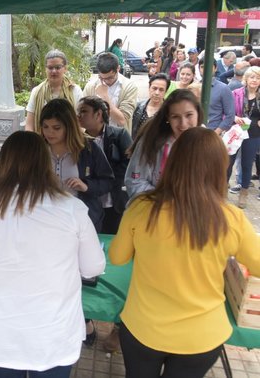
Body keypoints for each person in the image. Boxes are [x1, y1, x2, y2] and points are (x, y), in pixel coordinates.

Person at [0, 131, 106, 378]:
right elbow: (92, 268)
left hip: (0, 329)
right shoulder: (71, 208)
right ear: (45, 164)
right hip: (52, 333)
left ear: (3, 162)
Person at [110, 127, 260, 378]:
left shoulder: (141, 208)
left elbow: (117, 257)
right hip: (202, 337)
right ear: (219, 168)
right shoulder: (232, 219)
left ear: (173, 162)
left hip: (143, 329)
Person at [39, 98, 114, 232]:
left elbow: (108, 181)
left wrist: (86, 186)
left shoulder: (89, 148)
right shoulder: (37, 150)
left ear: (69, 126)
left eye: (56, 128)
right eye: (45, 127)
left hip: (82, 220)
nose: (50, 132)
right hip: (45, 218)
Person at [125, 89, 202, 200]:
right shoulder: (151, 142)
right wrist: (167, 201)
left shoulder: (206, 142)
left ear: (198, 113)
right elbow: (135, 182)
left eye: (189, 115)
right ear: (167, 118)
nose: (183, 123)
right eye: (175, 117)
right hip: (156, 211)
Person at [77, 96, 132, 235]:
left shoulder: (119, 135)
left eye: (84, 111)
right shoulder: (79, 141)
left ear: (98, 114)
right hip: (90, 201)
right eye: (78, 111)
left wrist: (106, 179)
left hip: (115, 201)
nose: (79, 115)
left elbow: (130, 163)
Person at [25, 50, 83, 132]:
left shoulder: (75, 90)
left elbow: (81, 122)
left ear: (65, 68)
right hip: (42, 142)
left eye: (58, 67)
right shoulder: (37, 91)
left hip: (69, 142)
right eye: (50, 67)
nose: (54, 71)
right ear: (46, 69)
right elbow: (29, 125)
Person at [83, 52, 138, 134]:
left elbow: (122, 120)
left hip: (118, 139)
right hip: (95, 138)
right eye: (102, 78)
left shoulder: (129, 87)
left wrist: (105, 97)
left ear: (118, 69)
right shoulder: (91, 86)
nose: (106, 81)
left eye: (110, 78)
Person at [228, 66, 260, 208]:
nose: (255, 80)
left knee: (246, 164)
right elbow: (227, 112)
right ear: (246, 79)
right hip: (236, 132)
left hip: (253, 134)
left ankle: (244, 193)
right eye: (252, 77)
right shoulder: (236, 93)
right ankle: (222, 189)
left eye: (258, 78)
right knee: (228, 162)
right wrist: (234, 117)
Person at [200, 58, 235, 136]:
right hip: (195, 134)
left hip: (213, 133)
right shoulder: (195, 87)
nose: (205, 69)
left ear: (215, 68)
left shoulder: (223, 88)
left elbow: (230, 115)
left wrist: (216, 132)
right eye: (202, 67)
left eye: (209, 67)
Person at [131, 74, 170, 139]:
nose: (157, 93)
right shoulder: (138, 106)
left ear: (166, 91)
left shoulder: (169, 111)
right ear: (149, 88)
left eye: (161, 90)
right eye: (154, 88)